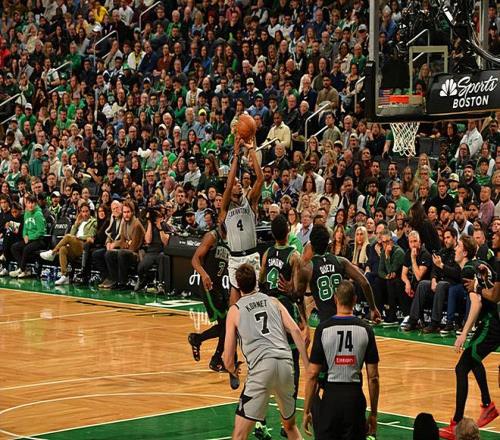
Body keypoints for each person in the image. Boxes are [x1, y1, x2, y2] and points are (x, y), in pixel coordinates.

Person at [223, 263, 309, 440]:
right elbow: (295, 330)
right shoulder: (273, 301)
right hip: (285, 365)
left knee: (239, 434)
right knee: (290, 426)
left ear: (238, 285)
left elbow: (228, 358)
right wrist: (307, 365)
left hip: (262, 368)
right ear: (256, 281)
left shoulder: (235, 310)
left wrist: (233, 370)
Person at [439, 235, 499, 440]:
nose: (455, 248)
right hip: (493, 321)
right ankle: (487, 404)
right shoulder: (480, 263)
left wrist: (464, 333)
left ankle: (457, 422)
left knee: (461, 367)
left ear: (465, 252)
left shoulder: (467, 270)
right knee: (473, 359)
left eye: (458, 246)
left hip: (492, 323)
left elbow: (477, 303)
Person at [303, 280, 379, 440]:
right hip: (354, 398)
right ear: (355, 300)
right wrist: (373, 413)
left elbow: (312, 374)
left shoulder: (323, 329)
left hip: (331, 397)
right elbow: (373, 377)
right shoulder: (366, 330)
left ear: (335, 299)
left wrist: (306, 410)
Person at [258, 214, 307, 438]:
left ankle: (259, 421)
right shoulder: (294, 255)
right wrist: (303, 318)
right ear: (288, 231)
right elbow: (296, 292)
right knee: (293, 363)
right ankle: (288, 422)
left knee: (265, 364)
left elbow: (261, 282)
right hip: (284, 309)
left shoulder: (267, 253)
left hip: (266, 309)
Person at [297, 224, 381, 325]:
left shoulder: (308, 267)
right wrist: (373, 308)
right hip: (345, 317)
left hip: (326, 322)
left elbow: (298, 297)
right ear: (328, 243)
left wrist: (304, 322)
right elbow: (365, 283)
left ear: (311, 245)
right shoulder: (341, 261)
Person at [219, 135, 264, 304]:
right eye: (235, 183)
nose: (238, 184)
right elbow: (229, 183)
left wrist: (251, 151)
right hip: (235, 258)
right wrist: (236, 155)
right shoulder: (225, 208)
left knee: (254, 300)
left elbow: (260, 179)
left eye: (239, 183)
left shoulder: (250, 201)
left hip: (251, 256)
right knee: (235, 303)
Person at [189, 224, 230, 372]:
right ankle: (216, 359)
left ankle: (197, 339)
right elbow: (195, 259)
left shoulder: (232, 239)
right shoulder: (212, 236)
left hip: (219, 286)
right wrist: (204, 274)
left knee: (228, 325)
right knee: (227, 325)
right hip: (208, 285)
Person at [40, 202, 97, 285]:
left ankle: (53, 252)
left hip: (83, 245)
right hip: (74, 245)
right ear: (80, 212)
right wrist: (76, 224)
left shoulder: (93, 221)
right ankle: (65, 276)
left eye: (86, 211)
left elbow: (90, 236)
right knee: (63, 249)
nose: (85, 213)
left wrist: (78, 237)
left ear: (89, 211)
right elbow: (72, 233)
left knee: (67, 237)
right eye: (83, 211)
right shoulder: (79, 221)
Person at [99, 200, 145, 290]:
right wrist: (127, 243)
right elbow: (122, 242)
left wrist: (127, 244)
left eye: (128, 212)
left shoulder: (136, 225)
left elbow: (133, 247)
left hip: (137, 254)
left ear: (132, 212)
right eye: (124, 212)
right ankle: (113, 279)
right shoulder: (124, 223)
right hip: (127, 250)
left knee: (121, 253)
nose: (126, 215)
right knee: (109, 253)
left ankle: (123, 282)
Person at [9, 194, 47, 278]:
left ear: (35, 203)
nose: (30, 205)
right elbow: (25, 228)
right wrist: (25, 235)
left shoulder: (38, 214)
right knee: (14, 247)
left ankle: (22, 269)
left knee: (26, 249)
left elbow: (41, 232)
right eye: (28, 203)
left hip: (39, 240)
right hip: (29, 239)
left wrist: (30, 237)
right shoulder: (26, 214)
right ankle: (23, 269)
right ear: (26, 204)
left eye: (32, 203)